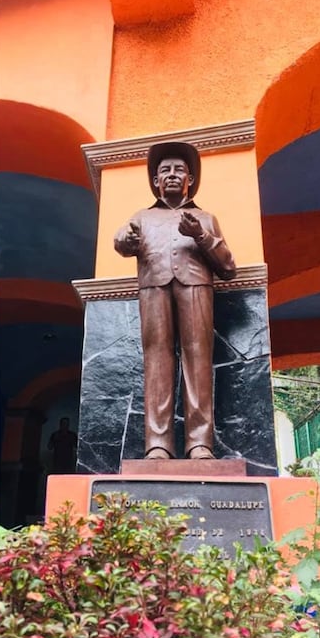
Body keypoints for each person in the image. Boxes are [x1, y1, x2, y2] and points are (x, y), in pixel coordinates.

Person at [114, 141, 236, 460]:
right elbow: (121, 242)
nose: (171, 174)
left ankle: (199, 443)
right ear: (155, 181)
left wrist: (201, 236)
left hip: (196, 287)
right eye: (164, 170)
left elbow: (228, 268)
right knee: (156, 360)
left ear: (190, 179)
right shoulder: (141, 217)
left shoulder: (205, 218)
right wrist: (124, 239)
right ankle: (158, 443)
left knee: (198, 360)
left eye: (179, 169)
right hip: (153, 286)